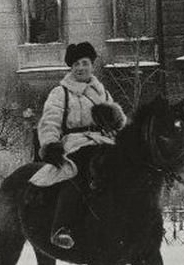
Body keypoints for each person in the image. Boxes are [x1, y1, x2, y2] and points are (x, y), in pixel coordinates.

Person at [32, 41, 127, 250]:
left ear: (92, 65)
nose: (81, 68)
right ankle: (61, 227)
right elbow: (50, 120)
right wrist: (50, 144)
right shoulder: (61, 92)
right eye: (76, 64)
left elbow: (118, 120)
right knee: (78, 171)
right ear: (71, 68)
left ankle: (130, 222)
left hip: (103, 142)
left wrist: (115, 126)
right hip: (75, 144)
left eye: (85, 63)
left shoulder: (101, 92)